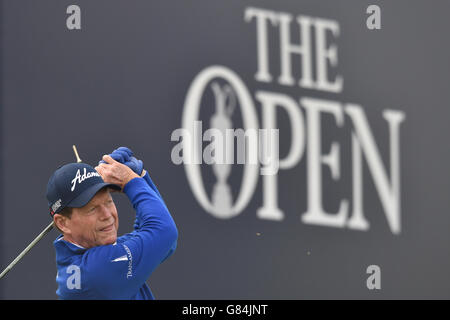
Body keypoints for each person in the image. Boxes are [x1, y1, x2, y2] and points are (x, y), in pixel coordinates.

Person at [46, 147, 178, 299]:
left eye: (109, 202)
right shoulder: (99, 268)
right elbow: (164, 232)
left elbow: (161, 242)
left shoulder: (86, 260)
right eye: (92, 209)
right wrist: (131, 181)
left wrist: (138, 178)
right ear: (63, 223)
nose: (107, 215)